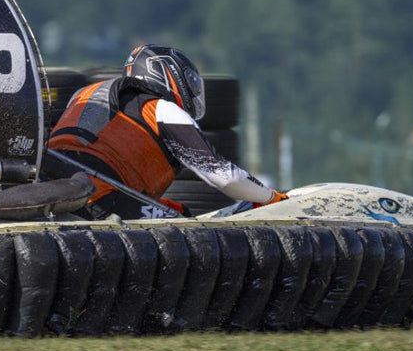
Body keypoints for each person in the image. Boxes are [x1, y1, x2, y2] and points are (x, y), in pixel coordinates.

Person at [45, 44, 287, 220]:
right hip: (99, 197)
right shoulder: (161, 109)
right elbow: (225, 176)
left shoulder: (83, 95)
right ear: (167, 74)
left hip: (50, 190)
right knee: (184, 228)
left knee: (177, 211)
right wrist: (270, 198)